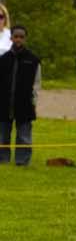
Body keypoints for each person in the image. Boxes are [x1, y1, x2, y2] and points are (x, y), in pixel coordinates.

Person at [0, 25, 41, 165]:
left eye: (21, 37)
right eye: (16, 36)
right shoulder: (3, 59)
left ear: (25, 39)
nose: (18, 39)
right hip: (4, 102)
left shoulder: (33, 60)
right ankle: (2, 159)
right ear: (11, 38)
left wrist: (34, 102)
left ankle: (22, 160)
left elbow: (37, 83)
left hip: (25, 103)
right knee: (2, 134)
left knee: (24, 135)